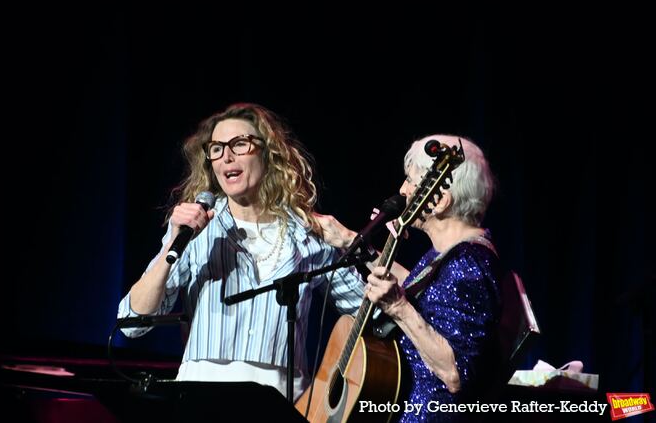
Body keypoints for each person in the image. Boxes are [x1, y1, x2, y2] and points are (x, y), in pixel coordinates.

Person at [117, 103, 365, 399]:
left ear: (268, 153)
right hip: (201, 397)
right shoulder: (196, 230)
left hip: (282, 399)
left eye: (239, 144)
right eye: (217, 148)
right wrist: (173, 243)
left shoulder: (308, 233)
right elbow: (132, 323)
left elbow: (367, 314)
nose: (227, 156)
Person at [318, 134, 503, 422]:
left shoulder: (470, 264)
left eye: (410, 181)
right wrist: (355, 244)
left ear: (439, 200)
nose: (402, 189)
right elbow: (420, 289)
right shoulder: (448, 254)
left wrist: (398, 308)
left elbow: (456, 373)